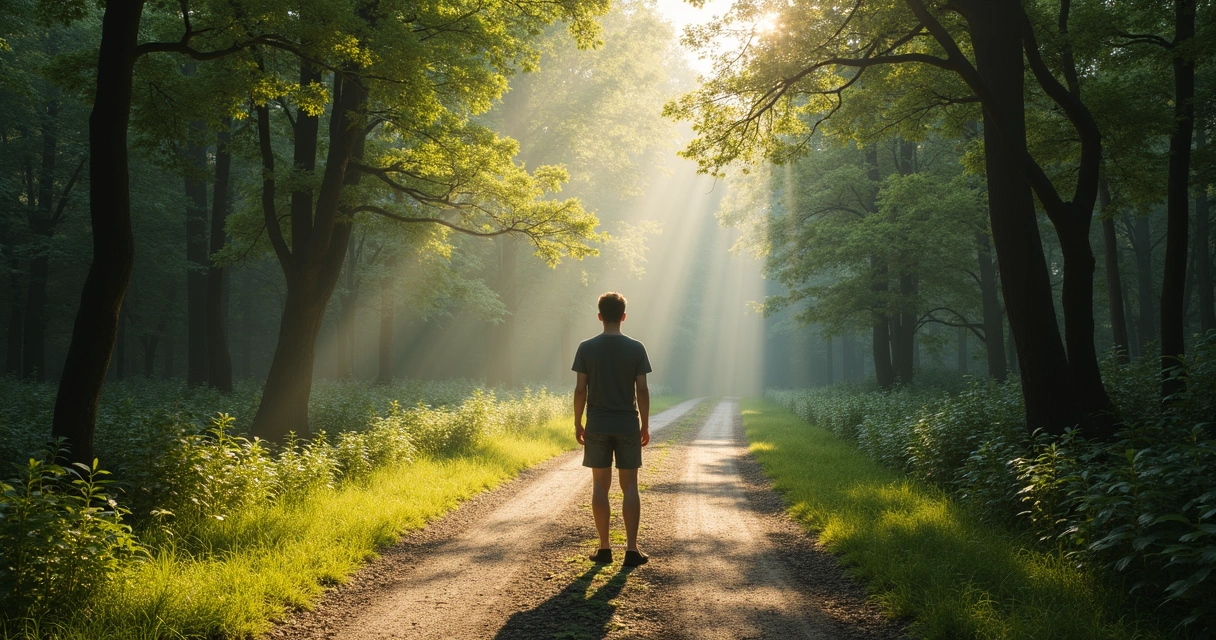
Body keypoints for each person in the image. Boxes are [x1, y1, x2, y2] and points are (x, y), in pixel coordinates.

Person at [572, 291, 652, 567]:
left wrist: (577, 422)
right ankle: (632, 550)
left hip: (597, 425)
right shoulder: (636, 348)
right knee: (630, 486)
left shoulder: (586, 347)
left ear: (599, 316)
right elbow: (642, 388)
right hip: (628, 424)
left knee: (599, 486)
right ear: (624, 316)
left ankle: (604, 548)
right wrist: (645, 424)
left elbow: (580, 389)